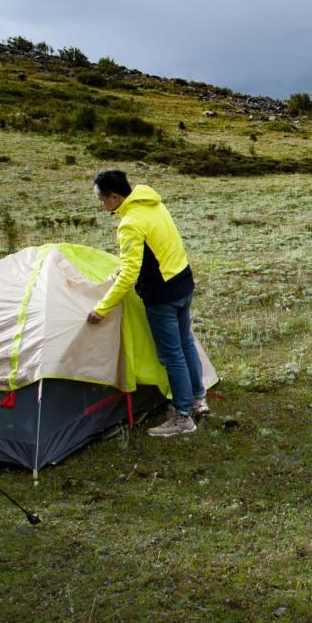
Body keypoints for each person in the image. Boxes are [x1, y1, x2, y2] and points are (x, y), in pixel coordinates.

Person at [87, 170, 206, 438]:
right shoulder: (152, 203)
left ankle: (182, 416)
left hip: (162, 295)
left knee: (171, 354)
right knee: (185, 342)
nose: (100, 204)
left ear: (115, 196)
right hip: (182, 282)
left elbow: (130, 274)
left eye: (101, 199)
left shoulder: (130, 223)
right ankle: (199, 398)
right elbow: (156, 248)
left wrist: (101, 309)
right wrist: (127, 268)